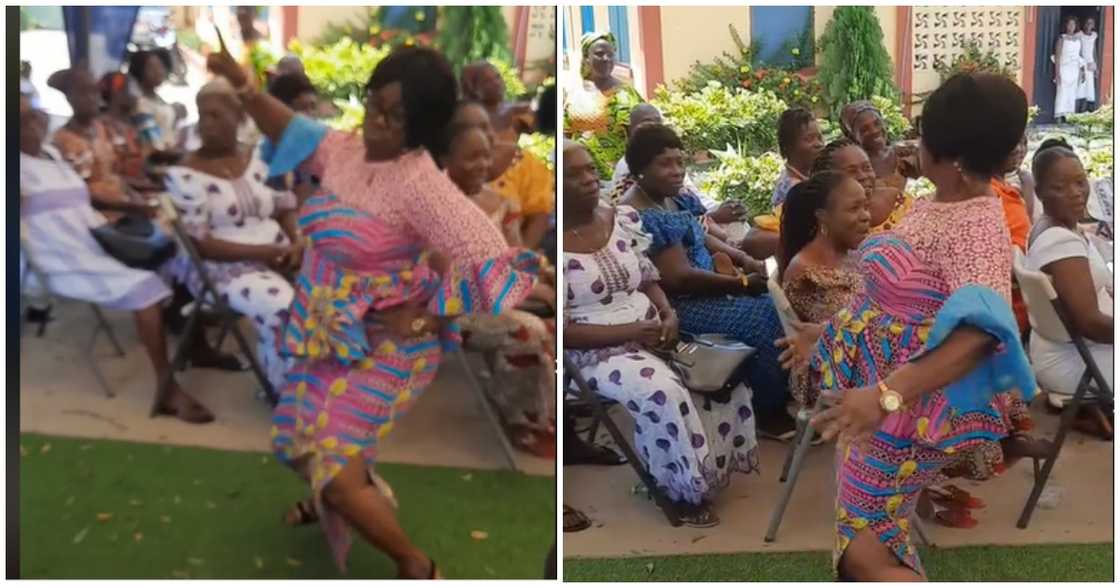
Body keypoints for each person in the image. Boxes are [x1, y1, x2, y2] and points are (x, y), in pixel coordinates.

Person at [207, 42, 541, 577]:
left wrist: (429, 316)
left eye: (395, 115)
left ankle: (415, 564)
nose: (378, 122)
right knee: (294, 439)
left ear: (423, 126)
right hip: (327, 331)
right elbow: (287, 126)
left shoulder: (421, 186)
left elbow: (492, 259)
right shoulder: (342, 150)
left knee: (336, 469)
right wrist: (243, 83)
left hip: (390, 346)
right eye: (374, 104)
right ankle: (336, 501)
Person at [801, 73, 1048, 580]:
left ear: (946, 152)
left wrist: (885, 396)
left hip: (905, 412)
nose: (912, 142)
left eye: (921, 132)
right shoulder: (937, 205)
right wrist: (829, 334)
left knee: (862, 551)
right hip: (879, 403)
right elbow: (902, 305)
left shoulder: (977, 227)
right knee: (871, 539)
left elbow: (982, 335)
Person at [563, 140, 758, 527]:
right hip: (593, 353)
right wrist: (631, 329)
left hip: (654, 331)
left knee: (723, 371)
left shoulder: (617, 217)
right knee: (661, 390)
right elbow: (563, 332)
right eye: (574, 174)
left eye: (590, 169)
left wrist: (668, 315)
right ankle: (679, 491)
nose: (588, 179)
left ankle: (709, 471)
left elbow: (648, 278)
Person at [19, 93, 214, 424]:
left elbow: (87, 199)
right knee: (146, 287)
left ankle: (194, 343)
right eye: (22, 119)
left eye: (35, 114)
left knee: (176, 255)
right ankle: (166, 387)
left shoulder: (52, 153)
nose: (35, 122)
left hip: (98, 241)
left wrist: (133, 208)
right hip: (62, 259)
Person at [618, 124, 792, 439]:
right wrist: (740, 285)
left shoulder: (672, 199)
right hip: (681, 305)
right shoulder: (640, 212)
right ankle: (768, 411)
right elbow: (679, 278)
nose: (677, 171)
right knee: (763, 317)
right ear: (639, 169)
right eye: (665, 163)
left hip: (712, 282)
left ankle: (780, 390)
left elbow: (705, 238)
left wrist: (747, 261)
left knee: (780, 301)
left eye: (679, 162)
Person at [163, 78, 301, 396]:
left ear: (239, 118)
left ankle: (326, 389)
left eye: (216, 115)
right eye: (202, 115)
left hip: (279, 256)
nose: (207, 124)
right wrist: (267, 252)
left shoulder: (258, 160)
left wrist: (296, 241)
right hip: (222, 270)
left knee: (332, 295)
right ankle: (285, 394)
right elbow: (202, 245)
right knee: (284, 309)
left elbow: (284, 207)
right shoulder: (184, 174)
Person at [441, 102, 557, 458]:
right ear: (445, 157)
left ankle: (553, 418)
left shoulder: (501, 202)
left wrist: (540, 272)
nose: (481, 165)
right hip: (448, 308)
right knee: (528, 331)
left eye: (486, 156)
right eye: (471, 157)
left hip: (496, 296)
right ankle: (526, 421)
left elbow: (515, 255)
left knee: (559, 312)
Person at [1027, 139, 1113, 414]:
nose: (1076, 193)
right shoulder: (1060, 244)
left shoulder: (1053, 226)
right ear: (1039, 193)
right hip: (1078, 362)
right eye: (1059, 187)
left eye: (1080, 182)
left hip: (1071, 351)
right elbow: (1090, 323)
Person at [777, 172, 869, 410]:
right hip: (832, 368)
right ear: (823, 218)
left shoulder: (850, 253)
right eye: (854, 209)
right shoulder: (808, 272)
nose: (866, 216)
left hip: (853, 353)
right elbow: (852, 324)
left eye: (865, 206)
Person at [461, 61, 555, 251]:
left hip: (513, 172)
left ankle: (520, 254)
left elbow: (543, 124)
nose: (497, 82)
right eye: (488, 81)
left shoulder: (518, 111)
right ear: (473, 87)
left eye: (497, 76)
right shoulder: (463, 115)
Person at [48, 66, 157, 218]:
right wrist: (133, 207)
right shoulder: (62, 141)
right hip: (95, 218)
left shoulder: (101, 129)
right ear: (69, 97)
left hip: (124, 210)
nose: (92, 97)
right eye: (83, 92)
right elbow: (80, 194)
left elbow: (115, 176)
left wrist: (138, 197)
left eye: (94, 90)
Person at [607, 103, 743, 223]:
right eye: (647, 123)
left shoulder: (671, 170)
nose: (655, 128)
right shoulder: (629, 171)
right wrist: (714, 217)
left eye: (658, 122)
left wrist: (722, 207)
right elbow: (680, 228)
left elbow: (697, 199)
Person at [740, 107, 825, 261]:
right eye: (809, 139)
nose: (818, 144)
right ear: (788, 148)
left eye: (820, 137)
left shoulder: (808, 176)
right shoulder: (794, 188)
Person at [565, 32, 644, 178]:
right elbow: (566, 137)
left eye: (610, 54)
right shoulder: (573, 95)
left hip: (618, 179)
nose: (606, 59)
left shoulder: (625, 95)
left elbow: (641, 139)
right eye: (599, 54)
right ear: (586, 58)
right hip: (580, 179)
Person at [811, 138, 914, 236]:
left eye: (867, 167)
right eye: (851, 171)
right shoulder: (832, 227)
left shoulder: (900, 200)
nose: (863, 176)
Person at [840, 101, 921, 201]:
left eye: (877, 123)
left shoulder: (902, 155)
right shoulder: (857, 170)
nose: (874, 131)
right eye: (864, 129)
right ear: (853, 136)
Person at [129, 49, 186, 151]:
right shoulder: (141, 104)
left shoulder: (157, 99)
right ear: (140, 71)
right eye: (152, 68)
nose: (159, 71)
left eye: (160, 66)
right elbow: (151, 141)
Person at [1053, 16, 1083, 123]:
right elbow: (1057, 56)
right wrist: (1057, 73)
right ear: (1066, 25)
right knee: (1062, 93)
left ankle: (1069, 117)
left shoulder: (1078, 39)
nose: (1071, 27)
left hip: (1074, 69)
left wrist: (1080, 73)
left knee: (1071, 94)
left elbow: (1079, 57)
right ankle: (1059, 118)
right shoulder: (1062, 38)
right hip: (1064, 69)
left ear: (1076, 26)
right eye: (1069, 24)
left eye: (1073, 24)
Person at [1076, 17, 1099, 113]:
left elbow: (1094, 51)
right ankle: (1078, 111)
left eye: (1091, 23)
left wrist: (1096, 66)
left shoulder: (1094, 35)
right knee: (1081, 87)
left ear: (1093, 25)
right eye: (1087, 23)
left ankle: (1087, 111)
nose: (1089, 25)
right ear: (1084, 24)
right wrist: (1081, 64)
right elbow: (1078, 50)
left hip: (1091, 64)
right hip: (1081, 63)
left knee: (1089, 89)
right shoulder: (1079, 35)